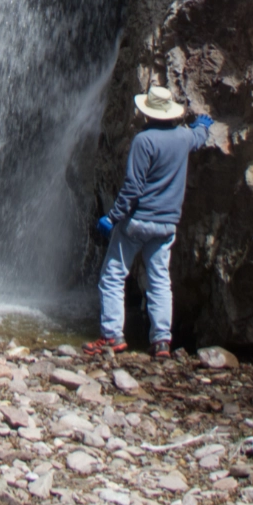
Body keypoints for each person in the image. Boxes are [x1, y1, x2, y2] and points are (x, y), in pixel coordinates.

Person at [84, 84, 213, 358]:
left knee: (113, 276)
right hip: (167, 224)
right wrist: (203, 126)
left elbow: (133, 187)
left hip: (138, 222)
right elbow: (199, 138)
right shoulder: (183, 137)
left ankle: (111, 336)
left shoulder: (144, 140)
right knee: (159, 281)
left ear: (147, 114)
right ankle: (162, 341)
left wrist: (112, 217)